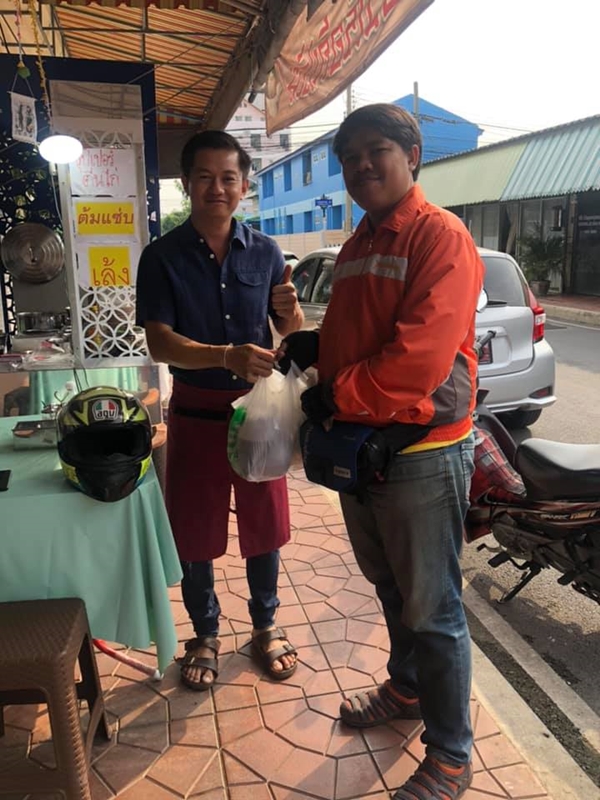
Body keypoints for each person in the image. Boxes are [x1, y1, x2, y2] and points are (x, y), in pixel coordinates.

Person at [280, 104, 484, 800]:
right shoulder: (364, 239)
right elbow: (363, 332)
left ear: (413, 155)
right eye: (350, 158)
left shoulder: (441, 237)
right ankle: (405, 690)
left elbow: (418, 360)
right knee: (391, 588)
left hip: (421, 451)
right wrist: (317, 349)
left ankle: (452, 756)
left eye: (377, 151)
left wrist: (334, 397)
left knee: (434, 609)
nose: (361, 166)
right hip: (365, 446)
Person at [136, 130, 304, 691]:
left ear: (244, 186)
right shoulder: (161, 256)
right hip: (195, 413)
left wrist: (293, 318)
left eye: (228, 177)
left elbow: (283, 332)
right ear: (187, 184)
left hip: (257, 412)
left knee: (265, 524)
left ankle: (265, 625)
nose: (217, 187)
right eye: (205, 177)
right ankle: (204, 633)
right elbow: (160, 342)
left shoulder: (267, 252)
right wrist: (223, 355)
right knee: (195, 529)